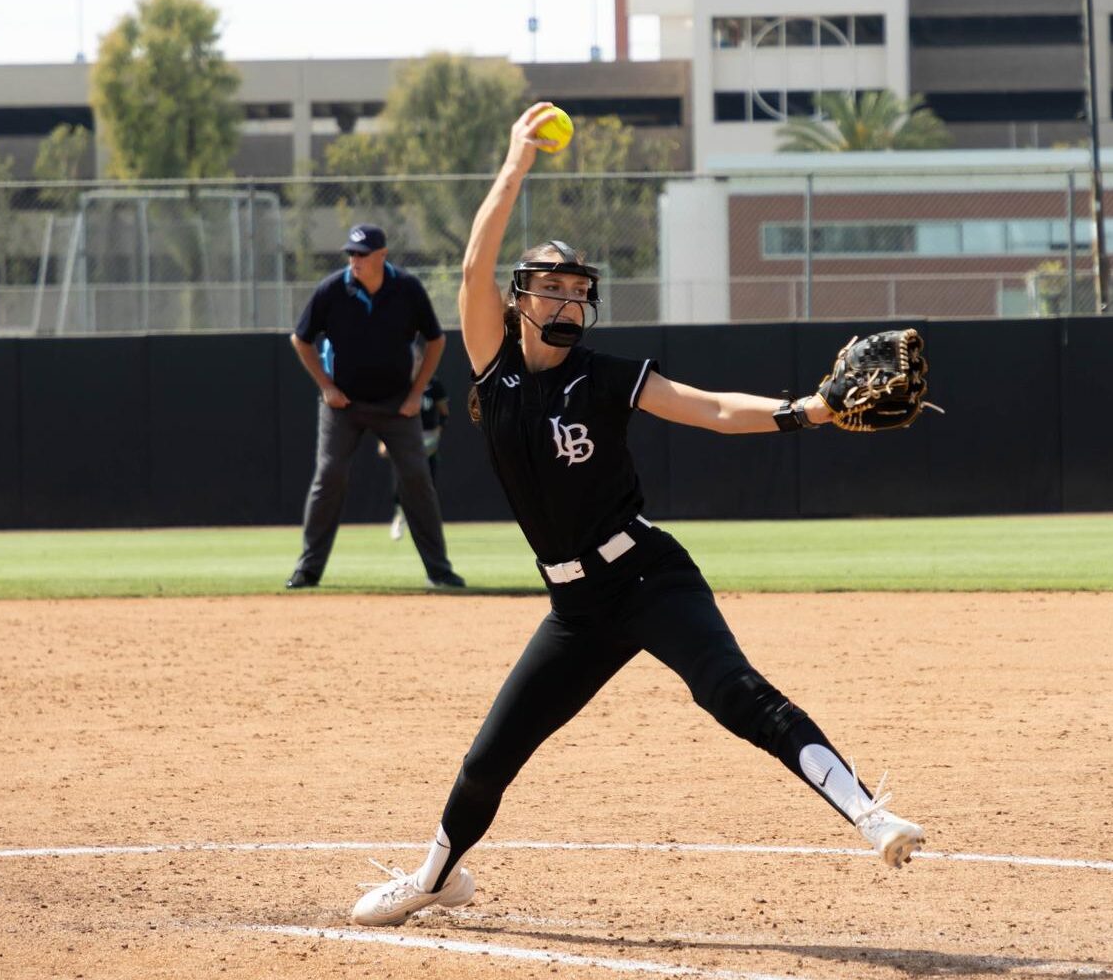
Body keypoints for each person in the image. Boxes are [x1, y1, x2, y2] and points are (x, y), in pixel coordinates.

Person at [349, 104, 924, 927]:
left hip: (648, 575)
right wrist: (515, 162)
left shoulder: (608, 375)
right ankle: (435, 876)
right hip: (576, 610)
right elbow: (474, 265)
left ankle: (870, 815)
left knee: (733, 693)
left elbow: (714, 410)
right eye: (552, 285)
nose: (569, 298)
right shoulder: (494, 372)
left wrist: (807, 411)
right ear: (520, 300)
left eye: (580, 288)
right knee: (488, 761)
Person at [286, 223, 464, 590]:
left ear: (382, 256)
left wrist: (416, 394)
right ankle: (307, 571)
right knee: (329, 475)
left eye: (362, 254)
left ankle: (439, 570)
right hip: (344, 403)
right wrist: (326, 387)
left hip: (396, 403)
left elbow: (436, 340)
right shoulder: (333, 290)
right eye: (351, 253)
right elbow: (300, 339)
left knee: (417, 479)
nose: (355, 260)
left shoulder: (407, 289)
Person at [381, 343, 450, 541]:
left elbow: (444, 413)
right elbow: (387, 415)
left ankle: (427, 525)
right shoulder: (398, 386)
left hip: (427, 439)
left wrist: (437, 433)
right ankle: (400, 517)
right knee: (401, 482)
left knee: (428, 483)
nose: (414, 362)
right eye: (410, 358)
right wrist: (384, 440)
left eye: (418, 358)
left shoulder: (433, 384)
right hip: (403, 438)